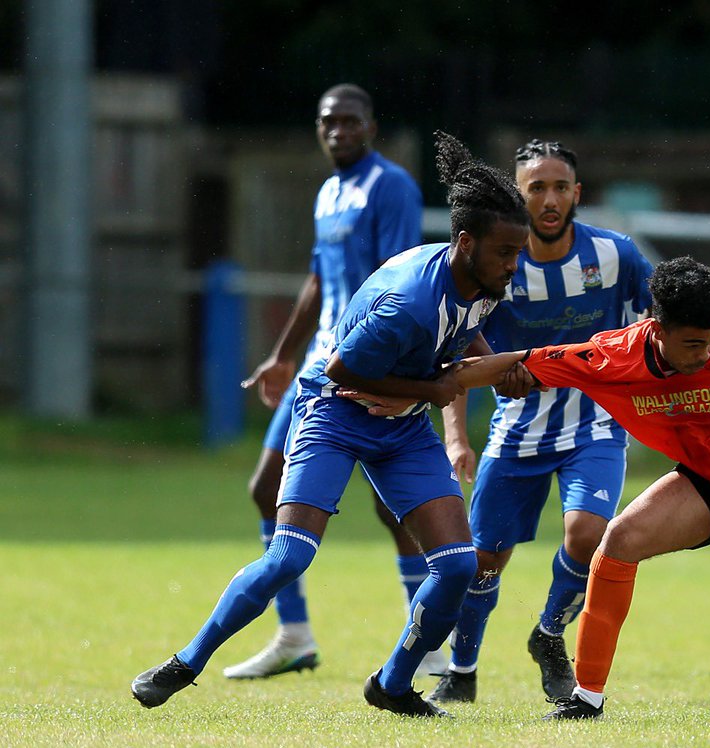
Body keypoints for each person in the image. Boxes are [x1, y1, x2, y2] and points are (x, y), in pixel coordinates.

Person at [340, 240, 710, 721]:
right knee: (616, 544)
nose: (708, 351)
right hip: (709, 482)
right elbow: (510, 361)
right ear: (658, 328)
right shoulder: (612, 357)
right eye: (694, 343)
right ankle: (587, 697)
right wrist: (410, 391)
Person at [131, 131, 531, 717]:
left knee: (459, 565)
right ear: (466, 243)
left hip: (400, 426)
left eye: (517, 253)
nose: (513, 265)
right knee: (290, 556)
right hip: (333, 412)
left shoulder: (482, 282)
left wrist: (503, 369)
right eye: (505, 253)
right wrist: (434, 388)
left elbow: (460, 339)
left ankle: (393, 684)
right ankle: (185, 663)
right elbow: (343, 369)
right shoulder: (408, 302)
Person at [229, 83, 446, 680]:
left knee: (393, 505)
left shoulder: (391, 187)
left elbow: (401, 280)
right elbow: (319, 280)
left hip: (366, 364)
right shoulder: (328, 193)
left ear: (371, 127)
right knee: (264, 488)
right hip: (316, 369)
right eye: (328, 122)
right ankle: (294, 635)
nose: (338, 131)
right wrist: (280, 356)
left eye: (350, 121)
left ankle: (425, 641)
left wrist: (393, 372)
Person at [431, 139, 655, 704]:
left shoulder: (617, 255)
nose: (550, 199)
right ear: (518, 194)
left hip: (596, 423)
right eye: (536, 188)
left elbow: (663, 317)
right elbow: (456, 354)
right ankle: (461, 670)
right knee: (484, 559)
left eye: (560, 188)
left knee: (587, 533)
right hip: (517, 429)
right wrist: (457, 438)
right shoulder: (497, 262)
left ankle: (550, 634)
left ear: (577, 194)